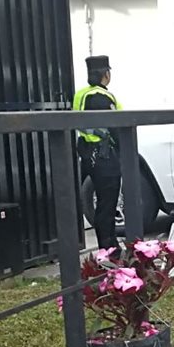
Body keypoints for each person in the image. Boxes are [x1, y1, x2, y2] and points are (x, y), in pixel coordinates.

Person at [74, 55, 122, 251]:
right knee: (107, 203)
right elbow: (115, 126)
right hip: (103, 155)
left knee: (101, 202)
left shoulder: (81, 94)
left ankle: (109, 246)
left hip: (87, 152)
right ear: (106, 75)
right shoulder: (103, 97)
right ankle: (108, 248)